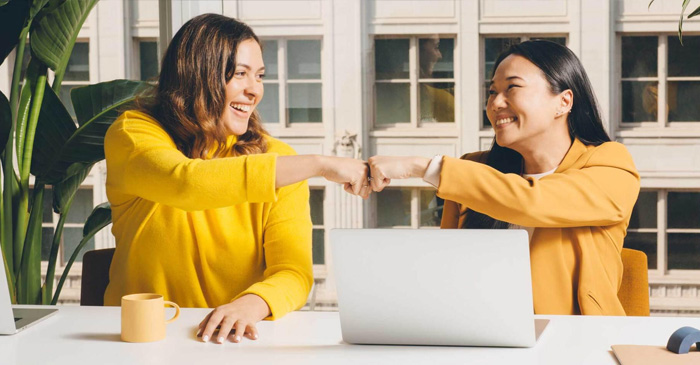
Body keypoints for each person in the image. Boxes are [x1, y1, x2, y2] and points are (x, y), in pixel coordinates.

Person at [103, 14, 370, 344]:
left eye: (259, 76)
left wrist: (251, 305)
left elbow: (293, 272)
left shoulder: (280, 160)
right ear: (197, 75)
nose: (254, 90)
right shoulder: (134, 134)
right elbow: (186, 183)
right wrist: (319, 164)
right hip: (138, 341)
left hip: (232, 342)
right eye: (240, 74)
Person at [367, 40, 640, 316]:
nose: (496, 103)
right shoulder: (474, 168)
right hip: (478, 340)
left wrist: (421, 166)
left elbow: (532, 200)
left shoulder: (610, 164)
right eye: (492, 91)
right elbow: (446, 273)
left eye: (512, 87)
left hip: (576, 344)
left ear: (564, 101)